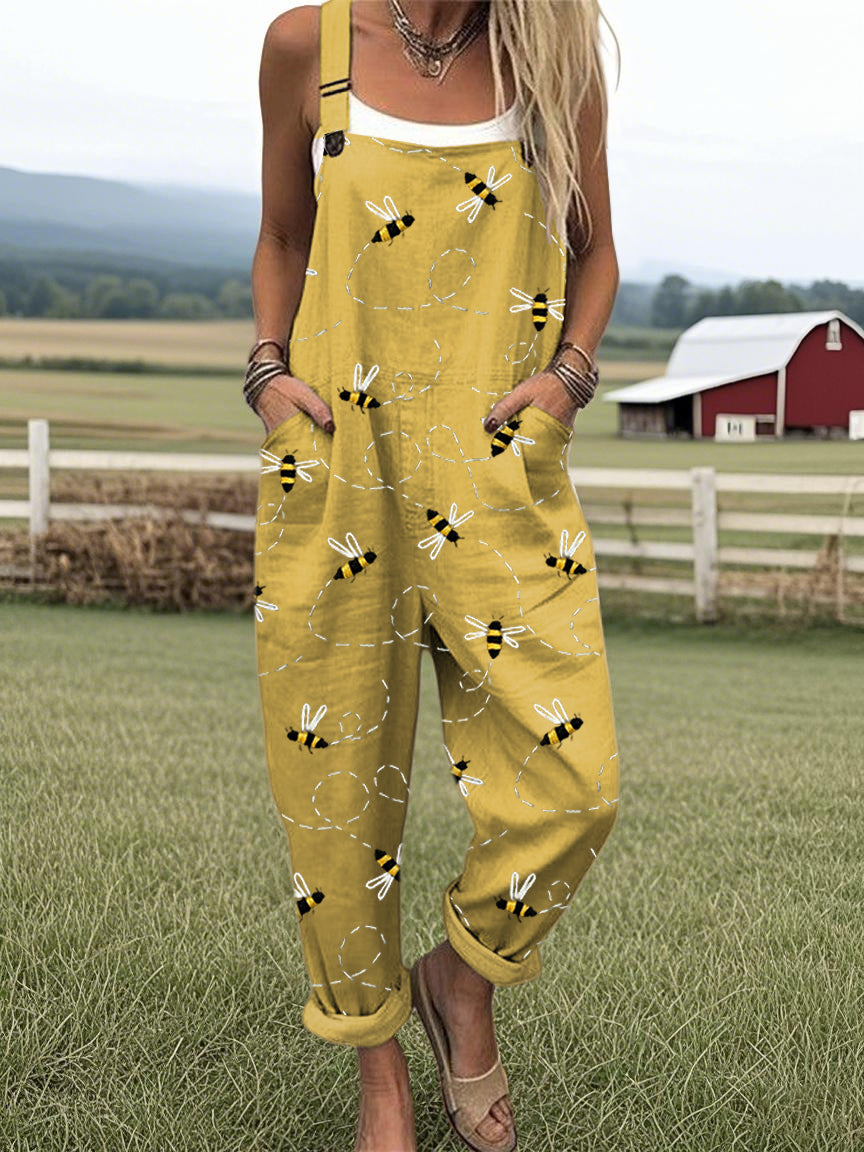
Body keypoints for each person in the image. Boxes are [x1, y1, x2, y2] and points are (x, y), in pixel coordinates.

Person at [246, 1, 621, 1148]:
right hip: (340, 467)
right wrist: (267, 376)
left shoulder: (553, 56)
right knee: (339, 795)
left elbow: (598, 251)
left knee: (576, 784)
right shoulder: (308, 45)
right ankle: (380, 1077)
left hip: (497, 471)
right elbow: (283, 237)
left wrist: (567, 381)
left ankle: (460, 978)